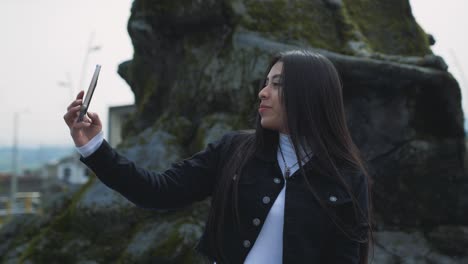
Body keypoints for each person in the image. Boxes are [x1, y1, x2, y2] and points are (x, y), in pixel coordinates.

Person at [64, 50, 372, 264]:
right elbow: (158, 191)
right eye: (265, 83)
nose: (263, 93)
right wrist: (95, 148)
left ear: (311, 95)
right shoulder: (234, 150)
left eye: (277, 85)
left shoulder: (346, 178)